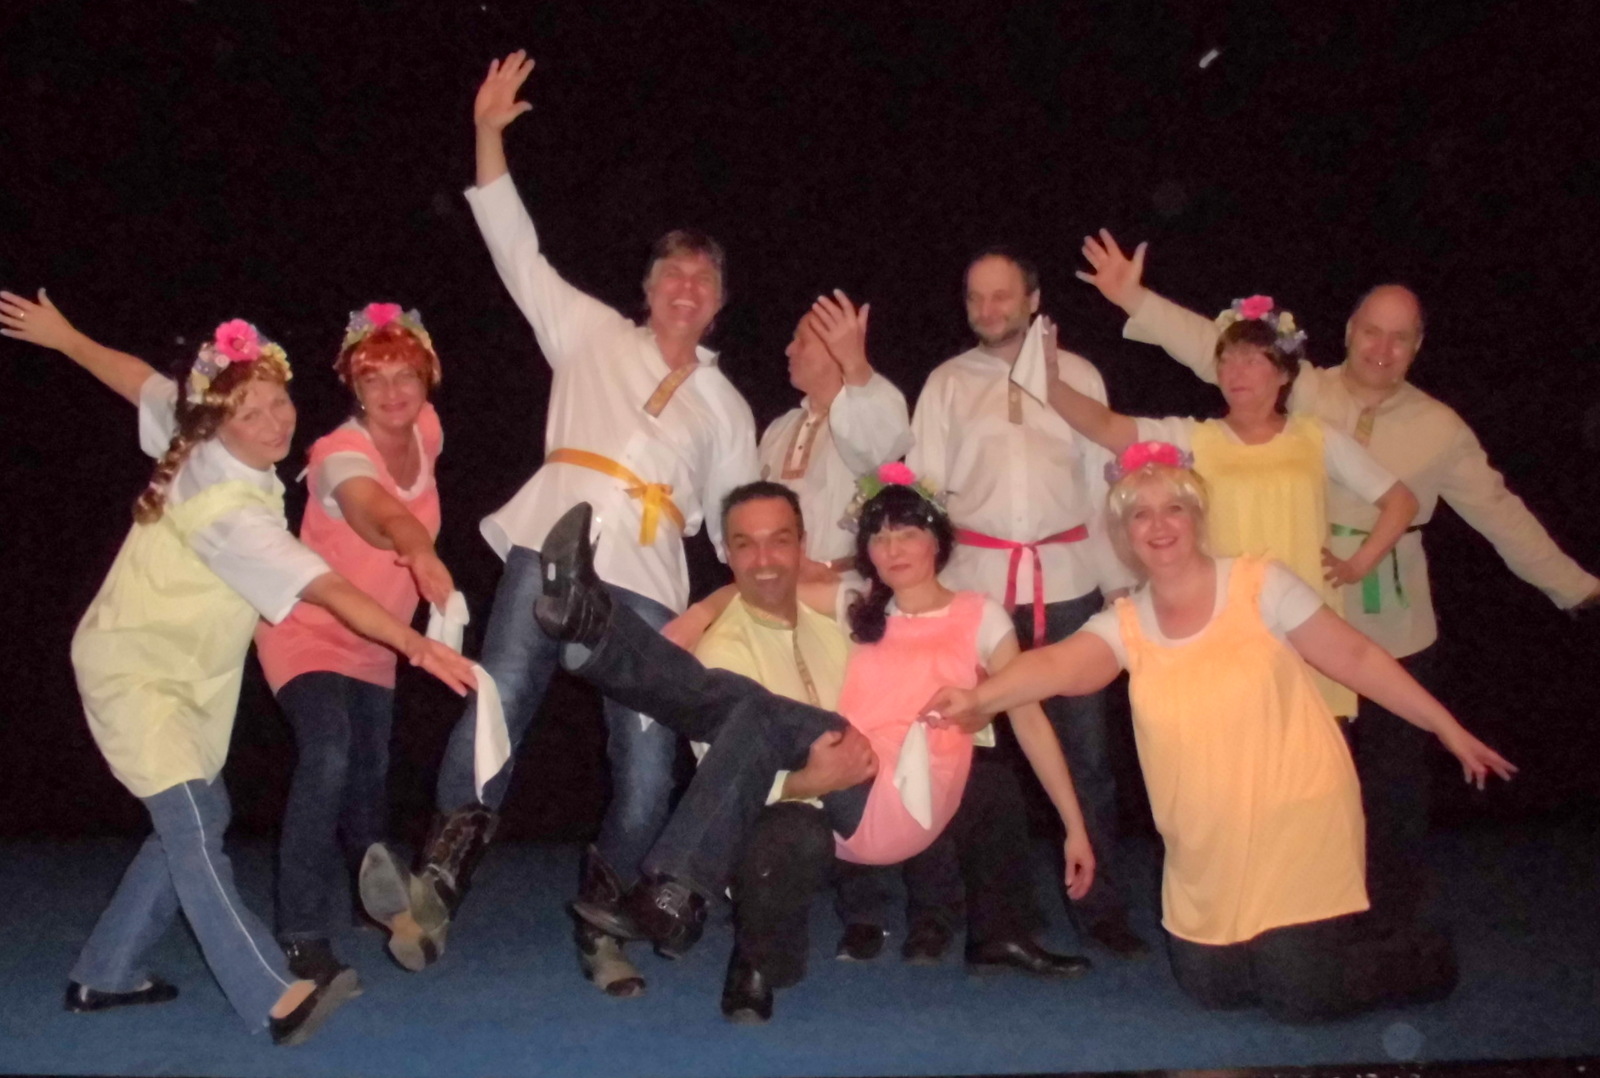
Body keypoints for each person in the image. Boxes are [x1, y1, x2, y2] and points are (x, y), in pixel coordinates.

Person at [361, 51, 759, 994]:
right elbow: (516, 250)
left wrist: (752, 606)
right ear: (648, 287)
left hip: (650, 585)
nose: (686, 286)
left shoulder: (729, 406)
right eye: (672, 273)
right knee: (497, 699)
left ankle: (604, 921)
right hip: (552, 549)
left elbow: (744, 530)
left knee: (648, 762)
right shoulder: (590, 331)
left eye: (703, 279)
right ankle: (434, 891)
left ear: (717, 303)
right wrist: (487, 134)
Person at [1075, 230, 1597, 918]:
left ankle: (1390, 925)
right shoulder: (1307, 391)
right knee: (1299, 780)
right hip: (1298, 607)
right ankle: (1301, 916)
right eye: (1372, 331)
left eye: (1400, 338)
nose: (1383, 348)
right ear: (1350, 332)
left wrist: (1579, 590)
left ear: (1418, 346)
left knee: (1392, 789)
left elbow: (1500, 513)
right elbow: (1215, 346)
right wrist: (1133, 298)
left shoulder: (1441, 427)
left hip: (1393, 619)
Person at [0, 292, 474, 1045]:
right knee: (195, 828)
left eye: (278, 401)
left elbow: (137, 380)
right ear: (220, 422)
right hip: (136, 670)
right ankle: (273, 993)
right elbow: (329, 588)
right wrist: (416, 644)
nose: (275, 421)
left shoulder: (199, 434)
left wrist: (65, 337)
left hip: (188, 679)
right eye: (252, 413)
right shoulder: (231, 512)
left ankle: (107, 970)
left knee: (201, 817)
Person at [921, 442, 1515, 1023]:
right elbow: (1053, 665)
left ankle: (1420, 955)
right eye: (1140, 515)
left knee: (1300, 992)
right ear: (1124, 535)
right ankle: (1305, 946)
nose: (1159, 526)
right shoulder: (1126, 623)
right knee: (1214, 990)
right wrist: (978, 697)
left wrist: (1445, 726)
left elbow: (1357, 657)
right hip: (1205, 842)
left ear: (1197, 517)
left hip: (1295, 814)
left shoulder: (1260, 584)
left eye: (1173, 508)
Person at [554, 478, 1095, 978]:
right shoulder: (859, 605)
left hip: (903, 801)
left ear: (938, 539)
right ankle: (674, 893)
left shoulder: (980, 616)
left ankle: (595, 631)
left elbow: (1030, 719)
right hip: (843, 791)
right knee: (750, 707)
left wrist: (1074, 826)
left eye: (908, 532)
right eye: (879, 537)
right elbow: (761, 583)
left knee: (761, 710)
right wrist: (700, 614)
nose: (893, 548)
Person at [906, 249, 1142, 956]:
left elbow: (1103, 490)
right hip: (974, 594)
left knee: (1087, 760)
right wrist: (920, 597)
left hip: (1066, 588)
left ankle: (1100, 910)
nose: (988, 310)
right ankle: (943, 915)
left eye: (1002, 296)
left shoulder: (1080, 376)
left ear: (1033, 299)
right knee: (953, 757)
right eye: (976, 297)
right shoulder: (946, 383)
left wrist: (1119, 587)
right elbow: (925, 494)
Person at [1037, 295, 1418, 719]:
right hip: (1228, 627)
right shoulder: (1196, 438)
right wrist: (1052, 383)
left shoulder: (1316, 436)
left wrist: (1357, 565)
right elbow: (1109, 427)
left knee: (1314, 748)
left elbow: (1400, 502)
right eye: (1227, 361)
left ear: (1283, 372)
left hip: (1306, 626)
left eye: (1251, 361)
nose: (1236, 373)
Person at [252, 303, 453, 982]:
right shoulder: (337, 453)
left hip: (377, 643)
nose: (393, 392)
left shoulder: (427, 429)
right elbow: (379, 512)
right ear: (354, 387)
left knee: (367, 785)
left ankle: (388, 911)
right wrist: (418, 549)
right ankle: (301, 932)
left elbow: (408, 492)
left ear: (427, 377)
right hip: (307, 630)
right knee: (329, 754)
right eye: (374, 379)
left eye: (406, 375)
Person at [759, 291, 911, 569]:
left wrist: (854, 363)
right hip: (773, 584)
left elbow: (881, 446)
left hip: (844, 586)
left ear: (836, 350)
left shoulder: (869, 413)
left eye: (801, 341)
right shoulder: (779, 428)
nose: (789, 349)